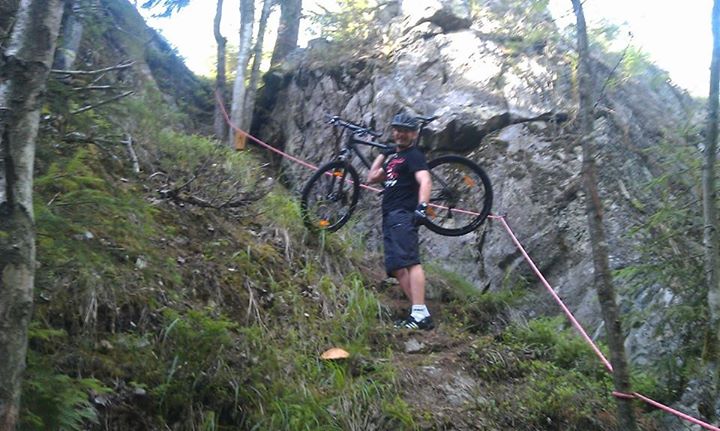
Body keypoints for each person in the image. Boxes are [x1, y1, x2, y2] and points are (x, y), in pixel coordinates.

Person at [367, 112, 434, 330]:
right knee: (397, 267)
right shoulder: (395, 158)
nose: (400, 134)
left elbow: (425, 180)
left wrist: (422, 206)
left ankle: (418, 312)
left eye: (405, 131)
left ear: (414, 134)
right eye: (397, 130)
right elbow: (372, 177)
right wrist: (383, 154)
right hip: (389, 215)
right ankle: (420, 313)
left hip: (402, 213)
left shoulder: (413, 155)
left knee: (411, 261)